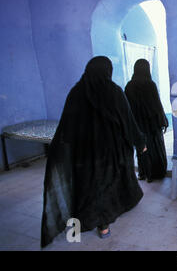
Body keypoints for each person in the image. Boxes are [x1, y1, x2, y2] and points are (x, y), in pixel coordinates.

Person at [41, 56, 147, 247]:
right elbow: (127, 121)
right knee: (106, 187)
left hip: (83, 154)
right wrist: (140, 142)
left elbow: (68, 125)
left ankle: (81, 223)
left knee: (86, 187)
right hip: (110, 153)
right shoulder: (113, 92)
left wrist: (67, 149)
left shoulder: (76, 92)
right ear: (108, 70)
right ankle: (103, 225)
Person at [125, 59, 169, 182]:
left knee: (141, 148)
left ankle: (143, 173)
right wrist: (163, 121)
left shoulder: (129, 86)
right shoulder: (150, 85)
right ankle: (154, 174)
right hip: (151, 124)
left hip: (137, 124)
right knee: (154, 148)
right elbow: (157, 106)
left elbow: (127, 107)